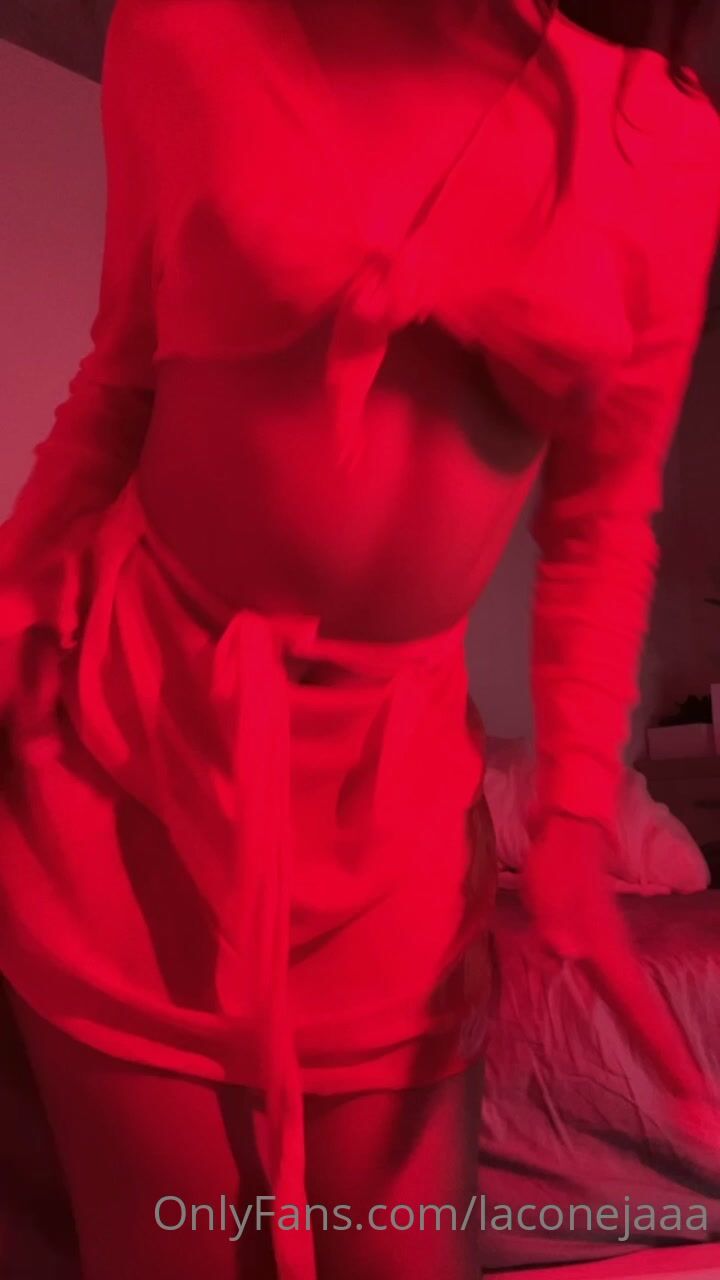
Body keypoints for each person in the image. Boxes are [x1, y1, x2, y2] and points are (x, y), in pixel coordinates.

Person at [0, 1, 718, 1278]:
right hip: (136, 750)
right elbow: (117, 381)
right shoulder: (185, 31)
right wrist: (9, 619)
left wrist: (568, 815)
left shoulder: (660, 136)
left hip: (393, 807)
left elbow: (603, 527)